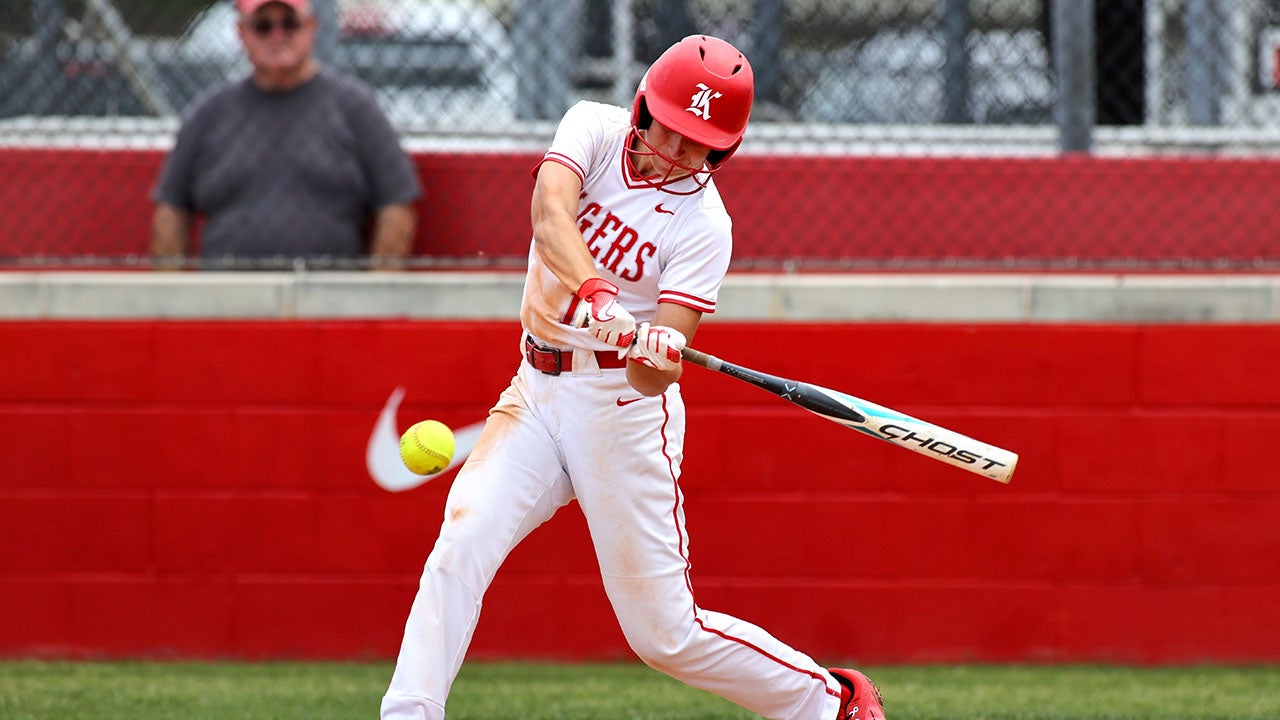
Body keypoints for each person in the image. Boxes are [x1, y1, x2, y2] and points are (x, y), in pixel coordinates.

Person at [380, 35, 887, 720]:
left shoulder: (705, 224)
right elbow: (549, 212)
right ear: (644, 106)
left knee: (664, 636)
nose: (678, 153)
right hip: (534, 388)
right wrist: (599, 294)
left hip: (621, 411)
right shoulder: (591, 126)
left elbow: (655, 376)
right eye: (669, 131)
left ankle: (830, 703)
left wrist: (651, 346)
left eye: (699, 144)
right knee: (462, 541)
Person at [150, 0, 420, 268]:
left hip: (326, 297)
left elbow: (396, 203)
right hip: (229, 297)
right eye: (263, 26)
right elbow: (171, 208)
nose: (277, 36)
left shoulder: (355, 108)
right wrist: (173, 296)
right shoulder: (210, 114)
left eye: (289, 24)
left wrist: (376, 291)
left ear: (311, 27)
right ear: (241, 33)